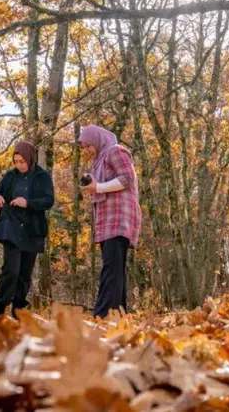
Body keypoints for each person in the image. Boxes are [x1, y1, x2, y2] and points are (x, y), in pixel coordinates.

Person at [78, 125, 141, 317]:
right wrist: (94, 185)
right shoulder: (100, 160)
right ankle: (119, 315)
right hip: (107, 220)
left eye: (89, 145)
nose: (88, 150)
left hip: (119, 217)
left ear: (97, 139)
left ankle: (102, 314)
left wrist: (99, 187)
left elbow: (127, 178)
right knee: (116, 268)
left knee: (111, 268)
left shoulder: (115, 151)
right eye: (85, 147)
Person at [0, 140, 55, 317]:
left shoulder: (42, 177)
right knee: (10, 270)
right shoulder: (10, 176)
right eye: (16, 161)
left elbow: (49, 201)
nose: (19, 165)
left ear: (30, 159)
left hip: (32, 229)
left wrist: (28, 203)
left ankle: (18, 312)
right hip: (10, 227)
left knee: (25, 274)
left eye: (22, 161)